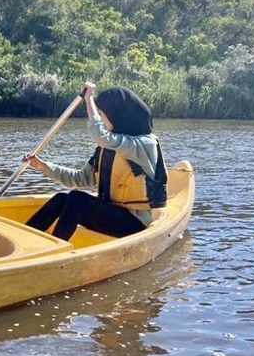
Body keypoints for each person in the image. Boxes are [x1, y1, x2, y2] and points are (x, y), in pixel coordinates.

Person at [22, 82, 167, 241]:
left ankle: (54, 249)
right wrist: (44, 166)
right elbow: (79, 178)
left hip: (134, 224)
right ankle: (26, 240)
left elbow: (100, 135)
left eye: (101, 113)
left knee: (77, 200)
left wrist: (89, 98)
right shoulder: (109, 147)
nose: (100, 118)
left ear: (116, 115)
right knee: (62, 199)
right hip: (112, 214)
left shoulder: (143, 144)